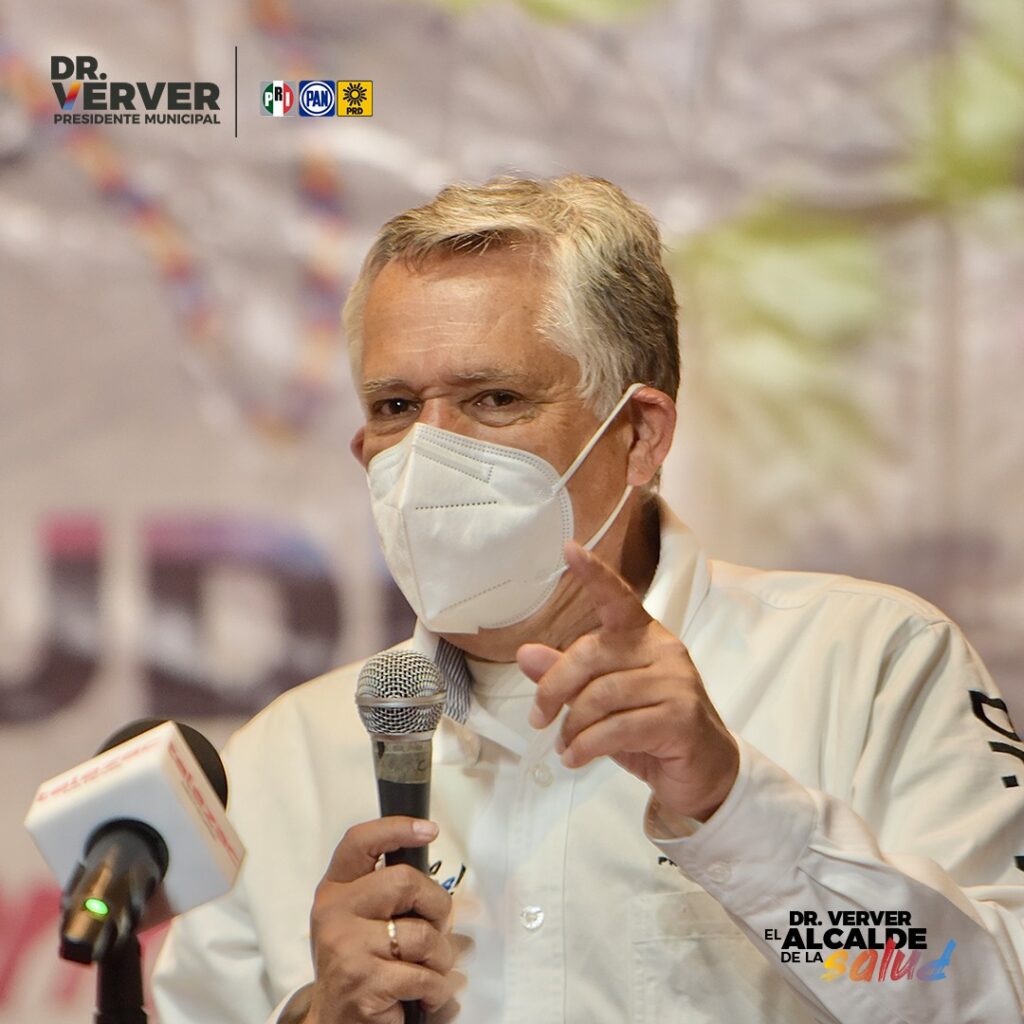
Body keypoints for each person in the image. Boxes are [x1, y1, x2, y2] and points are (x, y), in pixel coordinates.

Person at [152, 175, 1024, 1024]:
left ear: (639, 435)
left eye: (495, 399)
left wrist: (733, 811)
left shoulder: (868, 663)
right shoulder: (282, 760)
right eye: (396, 405)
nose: (429, 451)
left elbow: (978, 996)